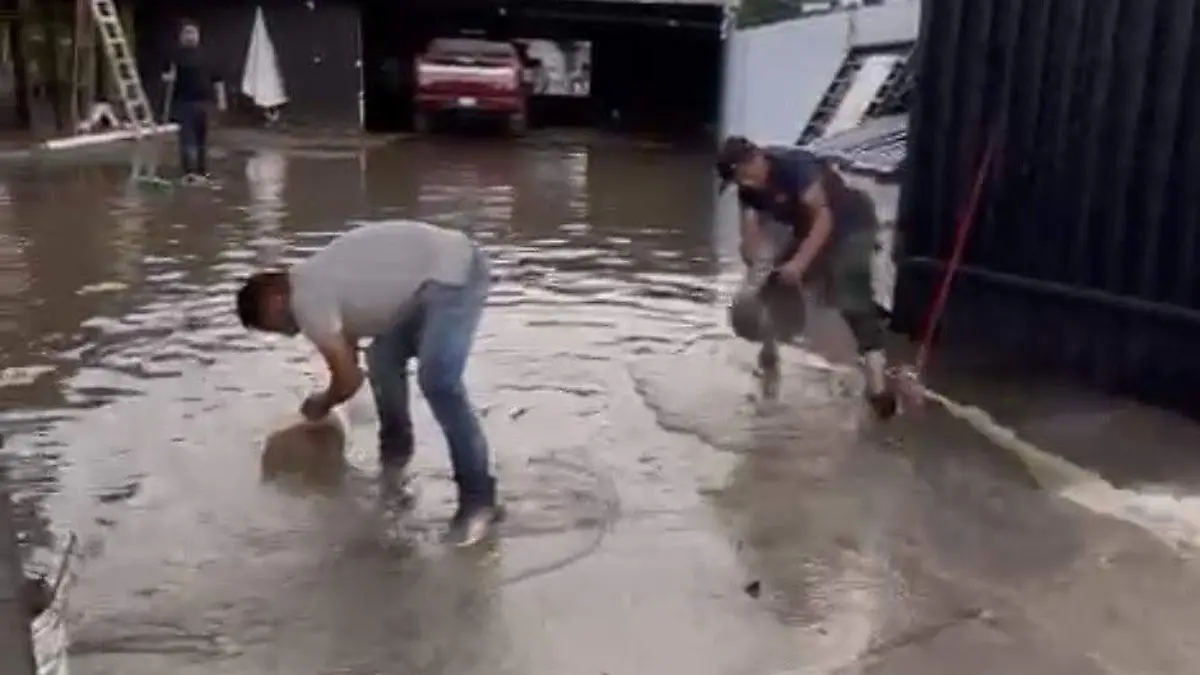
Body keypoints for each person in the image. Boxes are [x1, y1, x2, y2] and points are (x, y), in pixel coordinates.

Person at [234, 221, 501, 547]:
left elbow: (348, 380)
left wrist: (321, 403)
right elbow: (352, 362)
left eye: (270, 325)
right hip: (422, 287)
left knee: (438, 380)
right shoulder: (317, 280)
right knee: (383, 360)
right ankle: (394, 469)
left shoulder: (305, 300)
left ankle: (479, 501)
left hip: (455, 272)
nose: (283, 332)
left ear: (275, 299)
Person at [717, 135, 898, 420]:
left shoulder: (794, 167)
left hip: (851, 223)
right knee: (771, 289)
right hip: (807, 229)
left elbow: (824, 220)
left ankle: (878, 390)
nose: (743, 184)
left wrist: (799, 265)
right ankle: (769, 362)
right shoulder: (747, 191)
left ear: (756, 160)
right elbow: (751, 238)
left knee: (849, 294)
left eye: (742, 175)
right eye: (736, 181)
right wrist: (757, 271)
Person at [162, 20, 226, 184]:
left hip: (204, 103)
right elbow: (166, 76)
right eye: (187, 33)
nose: (190, 36)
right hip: (184, 103)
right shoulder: (174, 56)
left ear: (198, 35)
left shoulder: (207, 55)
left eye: (193, 33)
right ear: (181, 36)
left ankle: (201, 171)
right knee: (187, 139)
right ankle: (189, 172)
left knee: (202, 139)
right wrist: (168, 78)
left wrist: (221, 100)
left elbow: (218, 79)